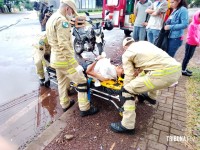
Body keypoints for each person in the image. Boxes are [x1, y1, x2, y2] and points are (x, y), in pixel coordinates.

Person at [110, 37, 181, 134]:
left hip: (162, 74)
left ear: (124, 47)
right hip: (176, 70)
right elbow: (149, 64)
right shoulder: (145, 43)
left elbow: (129, 76)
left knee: (126, 91)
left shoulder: (127, 53)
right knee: (147, 73)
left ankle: (127, 125)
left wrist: (126, 88)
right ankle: (152, 97)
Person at [46, 0, 98, 116]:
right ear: (67, 8)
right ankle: (85, 108)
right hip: (64, 60)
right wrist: (75, 65)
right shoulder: (62, 21)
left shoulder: (52, 18)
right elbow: (64, 45)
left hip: (55, 59)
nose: (71, 14)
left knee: (62, 82)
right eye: (71, 12)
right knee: (82, 81)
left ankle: (65, 104)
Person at [182, 10, 200, 76]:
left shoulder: (198, 24)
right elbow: (192, 36)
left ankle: (185, 68)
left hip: (194, 43)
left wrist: (198, 41)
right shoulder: (192, 25)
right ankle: (183, 70)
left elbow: (198, 34)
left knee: (190, 56)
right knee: (187, 56)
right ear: (196, 16)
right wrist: (197, 42)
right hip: (190, 44)